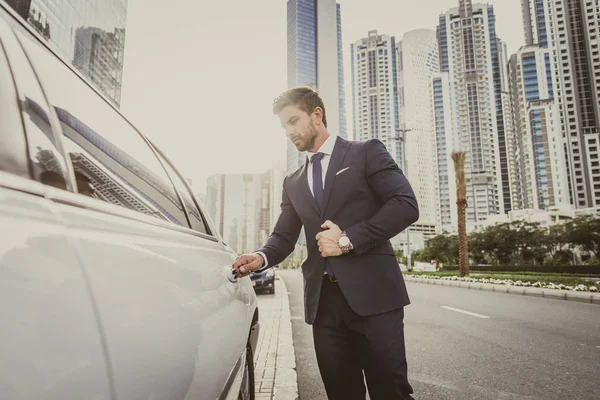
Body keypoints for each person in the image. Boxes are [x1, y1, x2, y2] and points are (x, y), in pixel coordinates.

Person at [232, 87, 419, 400]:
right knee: (341, 394)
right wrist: (261, 257)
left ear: (317, 115)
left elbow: (405, 204)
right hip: (324, 307)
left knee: (391, 392)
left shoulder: (365, 152)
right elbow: (284, 236)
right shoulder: (292, 181)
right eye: (284, 126)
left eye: (294, 121)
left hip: (375, 299)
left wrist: (347, 240)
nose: (289, 131)